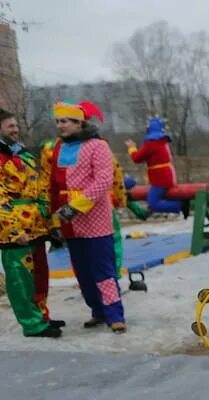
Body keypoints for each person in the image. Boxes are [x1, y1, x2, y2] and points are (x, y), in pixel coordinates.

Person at [44, 100, 127, 333]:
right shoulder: (58, 148)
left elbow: (103, 181)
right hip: (69, 221)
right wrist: (54, 218)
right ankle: (97, 311)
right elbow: (52, 184)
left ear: (79, 122)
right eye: (58, 121)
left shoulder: (97, 146)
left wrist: (76, 207)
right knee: (82, 272)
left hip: (95, 219)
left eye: (65, 121)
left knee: (103, 271)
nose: (60, 125)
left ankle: (114, 315)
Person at [0, 109, 63, 338]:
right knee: (20, 279)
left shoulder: (23, 155)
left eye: (16, 125)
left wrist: (48, 216)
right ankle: (32, 324)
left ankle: (42, 315)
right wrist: (14, 230)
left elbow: (41, 185)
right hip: (14, 230)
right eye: (10, 126)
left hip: (36, 225)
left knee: (39, 275)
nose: (15, 130)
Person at [125, 117, 181, 215]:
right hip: (166, 176)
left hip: (160, 179)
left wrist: (132, 148)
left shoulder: (151, 143)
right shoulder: (162, 141)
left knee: (152, 203)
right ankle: (179, 205)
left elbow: (137, 158)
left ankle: (180, 206)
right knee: (157, 199)